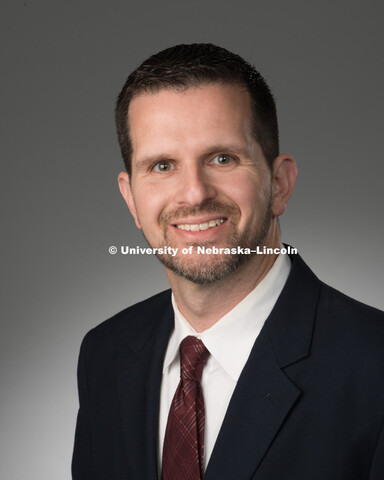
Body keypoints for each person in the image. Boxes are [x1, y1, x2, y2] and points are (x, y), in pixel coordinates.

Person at [72, 44, 384, 480]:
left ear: (279, 183)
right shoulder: (105, 356)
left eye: (223, 159)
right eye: (163, 166)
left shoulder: (374, 365)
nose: (195, 193)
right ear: (131, 199)